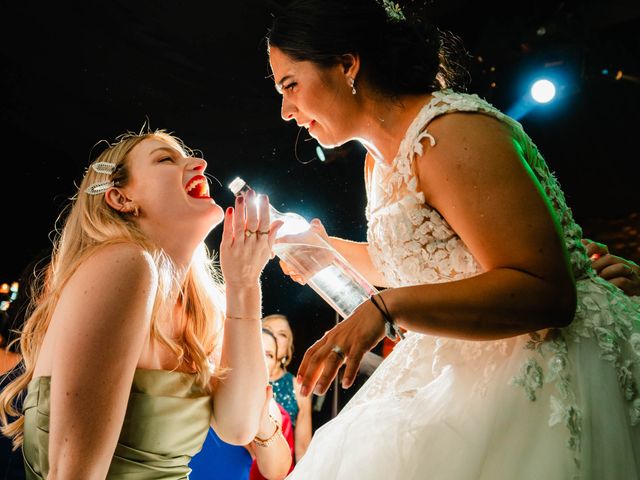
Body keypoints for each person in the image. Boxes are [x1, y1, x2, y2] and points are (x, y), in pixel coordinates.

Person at [263, 1, 640, 478]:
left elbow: (547, 293)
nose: (285, 110)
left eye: (290, 85)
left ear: (346, 64)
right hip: (452, 366)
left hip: (543, 365)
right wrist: (325, 251)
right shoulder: (376, 162)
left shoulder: (453, 132)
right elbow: (424, 261)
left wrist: (387, 308)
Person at [0, 128, 285, 479]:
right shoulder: (125, 264)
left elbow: (238, 426)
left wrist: (244, 283)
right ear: (120, 198)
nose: (200, 163)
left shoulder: (199, 311)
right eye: (166, 159)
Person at [189, 328, 293, 480]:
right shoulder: (203, 382)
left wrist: (263, 423)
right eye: (255, 349)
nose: (260, 359)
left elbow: (276, 472)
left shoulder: (269, 407)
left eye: (269, 354)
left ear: (274, 367)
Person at [261, 314, 312, 463]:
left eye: (282, 334)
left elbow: (303, 448)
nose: (274, 337)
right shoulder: (241, 376)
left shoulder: (298, 387)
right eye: (268, 330)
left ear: (288, 350)